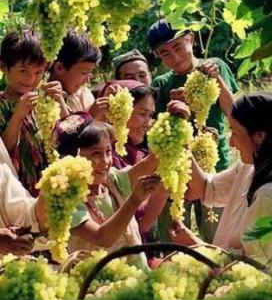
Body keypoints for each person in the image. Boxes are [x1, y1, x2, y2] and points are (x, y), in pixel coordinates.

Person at [170, 92, 272, 265]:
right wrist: (181, 134)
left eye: (234, 133)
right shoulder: (250, 166)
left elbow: (249, 270)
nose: (230, 143)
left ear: (260, 136)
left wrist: (194, 244)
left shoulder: (270, 195)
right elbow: (206, 187)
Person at [147, 18, 238, 242]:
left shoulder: (214, 67)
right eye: (165, 53)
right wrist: (172, 112)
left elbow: (233, 112)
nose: (175, 57)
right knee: (175, 238)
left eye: (178, 46)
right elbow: (156, 133)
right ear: (158, 56)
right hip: (175, 172)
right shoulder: (161, 83)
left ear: (191, 38)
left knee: (218, 238)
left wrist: (216, 78)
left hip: (215, 168)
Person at [52, 112, 162, 262]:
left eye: (108, 151)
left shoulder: (111, 180)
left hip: (136, 279)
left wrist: (174, 122)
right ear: (72, 159)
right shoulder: (66, 199)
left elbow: (152, 162)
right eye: (95, 153)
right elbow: (102, 238)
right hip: (97, 282)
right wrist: (134, 201)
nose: (105, 161)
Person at [0, 29, 67, 196]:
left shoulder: (44, 100)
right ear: (3, 67)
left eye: (38, 72)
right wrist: (18, 116)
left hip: (49, 187)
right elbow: (4, 151)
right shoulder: (1, 104)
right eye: (23, 71)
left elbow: (68, 136)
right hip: (16, 193)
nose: (31, 79)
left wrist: (61, 103)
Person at [49, 29, 101, 115]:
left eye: (89, 73)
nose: (87, 80)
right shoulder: (38, 99)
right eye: (84, 73)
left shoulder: (83, 95)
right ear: (59, 68)